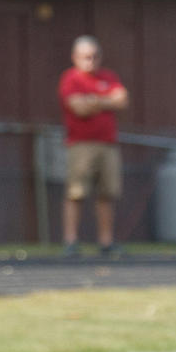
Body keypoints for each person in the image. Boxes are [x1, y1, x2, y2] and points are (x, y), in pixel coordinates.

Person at [58, 35, 129, 257]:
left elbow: (122, 99)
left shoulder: (109, 76)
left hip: (108, 144)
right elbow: (78, 108)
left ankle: (106, 242)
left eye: (95, 56)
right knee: (76, 193)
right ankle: (71, 241)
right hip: (81, 145)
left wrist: (92, 101)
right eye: (86, 57)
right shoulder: (71, 79)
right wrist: (105, 100)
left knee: (107, 194)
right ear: (75, 57)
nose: (91, 61)